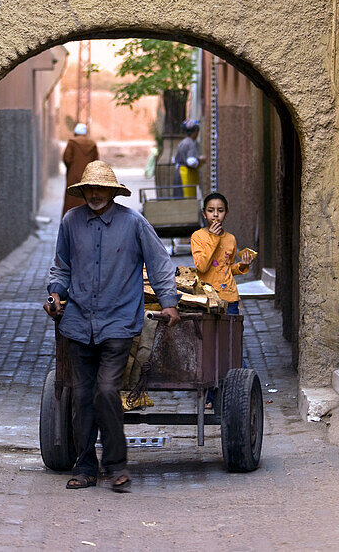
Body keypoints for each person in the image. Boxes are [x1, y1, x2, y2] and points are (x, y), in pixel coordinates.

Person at [44, 160, 180, 493]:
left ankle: (117, 464)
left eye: (100, 189)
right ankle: (86, 466)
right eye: (89, 188)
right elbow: (61, 268)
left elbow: (159, 263)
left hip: (119, 323)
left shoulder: (133, 223)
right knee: (82, 396)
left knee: (106, 391)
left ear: (112, 192)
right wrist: (55, 295)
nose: (94, 194)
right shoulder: (70, 222)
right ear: (83, 191)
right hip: (77, 324)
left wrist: (169, 302)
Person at [191, 191, 253, 408]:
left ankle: (234, 394)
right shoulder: (198, 237)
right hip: (206, 299)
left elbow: (227, 268)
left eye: (220, 211)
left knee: (231, 345)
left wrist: (243, 265)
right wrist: (214, 239)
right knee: (208, 346)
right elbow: (202, 266)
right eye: (211, 211)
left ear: (226, 213)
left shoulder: (231, 239)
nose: (215, 215)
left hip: (230, 298)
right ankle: (208, 396)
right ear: (204, 213)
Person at [61, 123, 99, 216]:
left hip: (73, 177)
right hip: (88, 177)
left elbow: (67, 158)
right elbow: (96, 161)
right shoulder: (92, 144)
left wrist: (72, 168)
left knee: (72, 199)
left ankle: (71, 221)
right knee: (87, 198)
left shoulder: (72, 143)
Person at [172, 118, 206, 198]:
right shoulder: (190, 143)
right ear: (195, 131)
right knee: (187, 201)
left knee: (180, 198)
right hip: (186, 176)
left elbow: (174, 159)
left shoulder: (183, 142)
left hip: (180, 173)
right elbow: (191, 161)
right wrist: (200, 160)